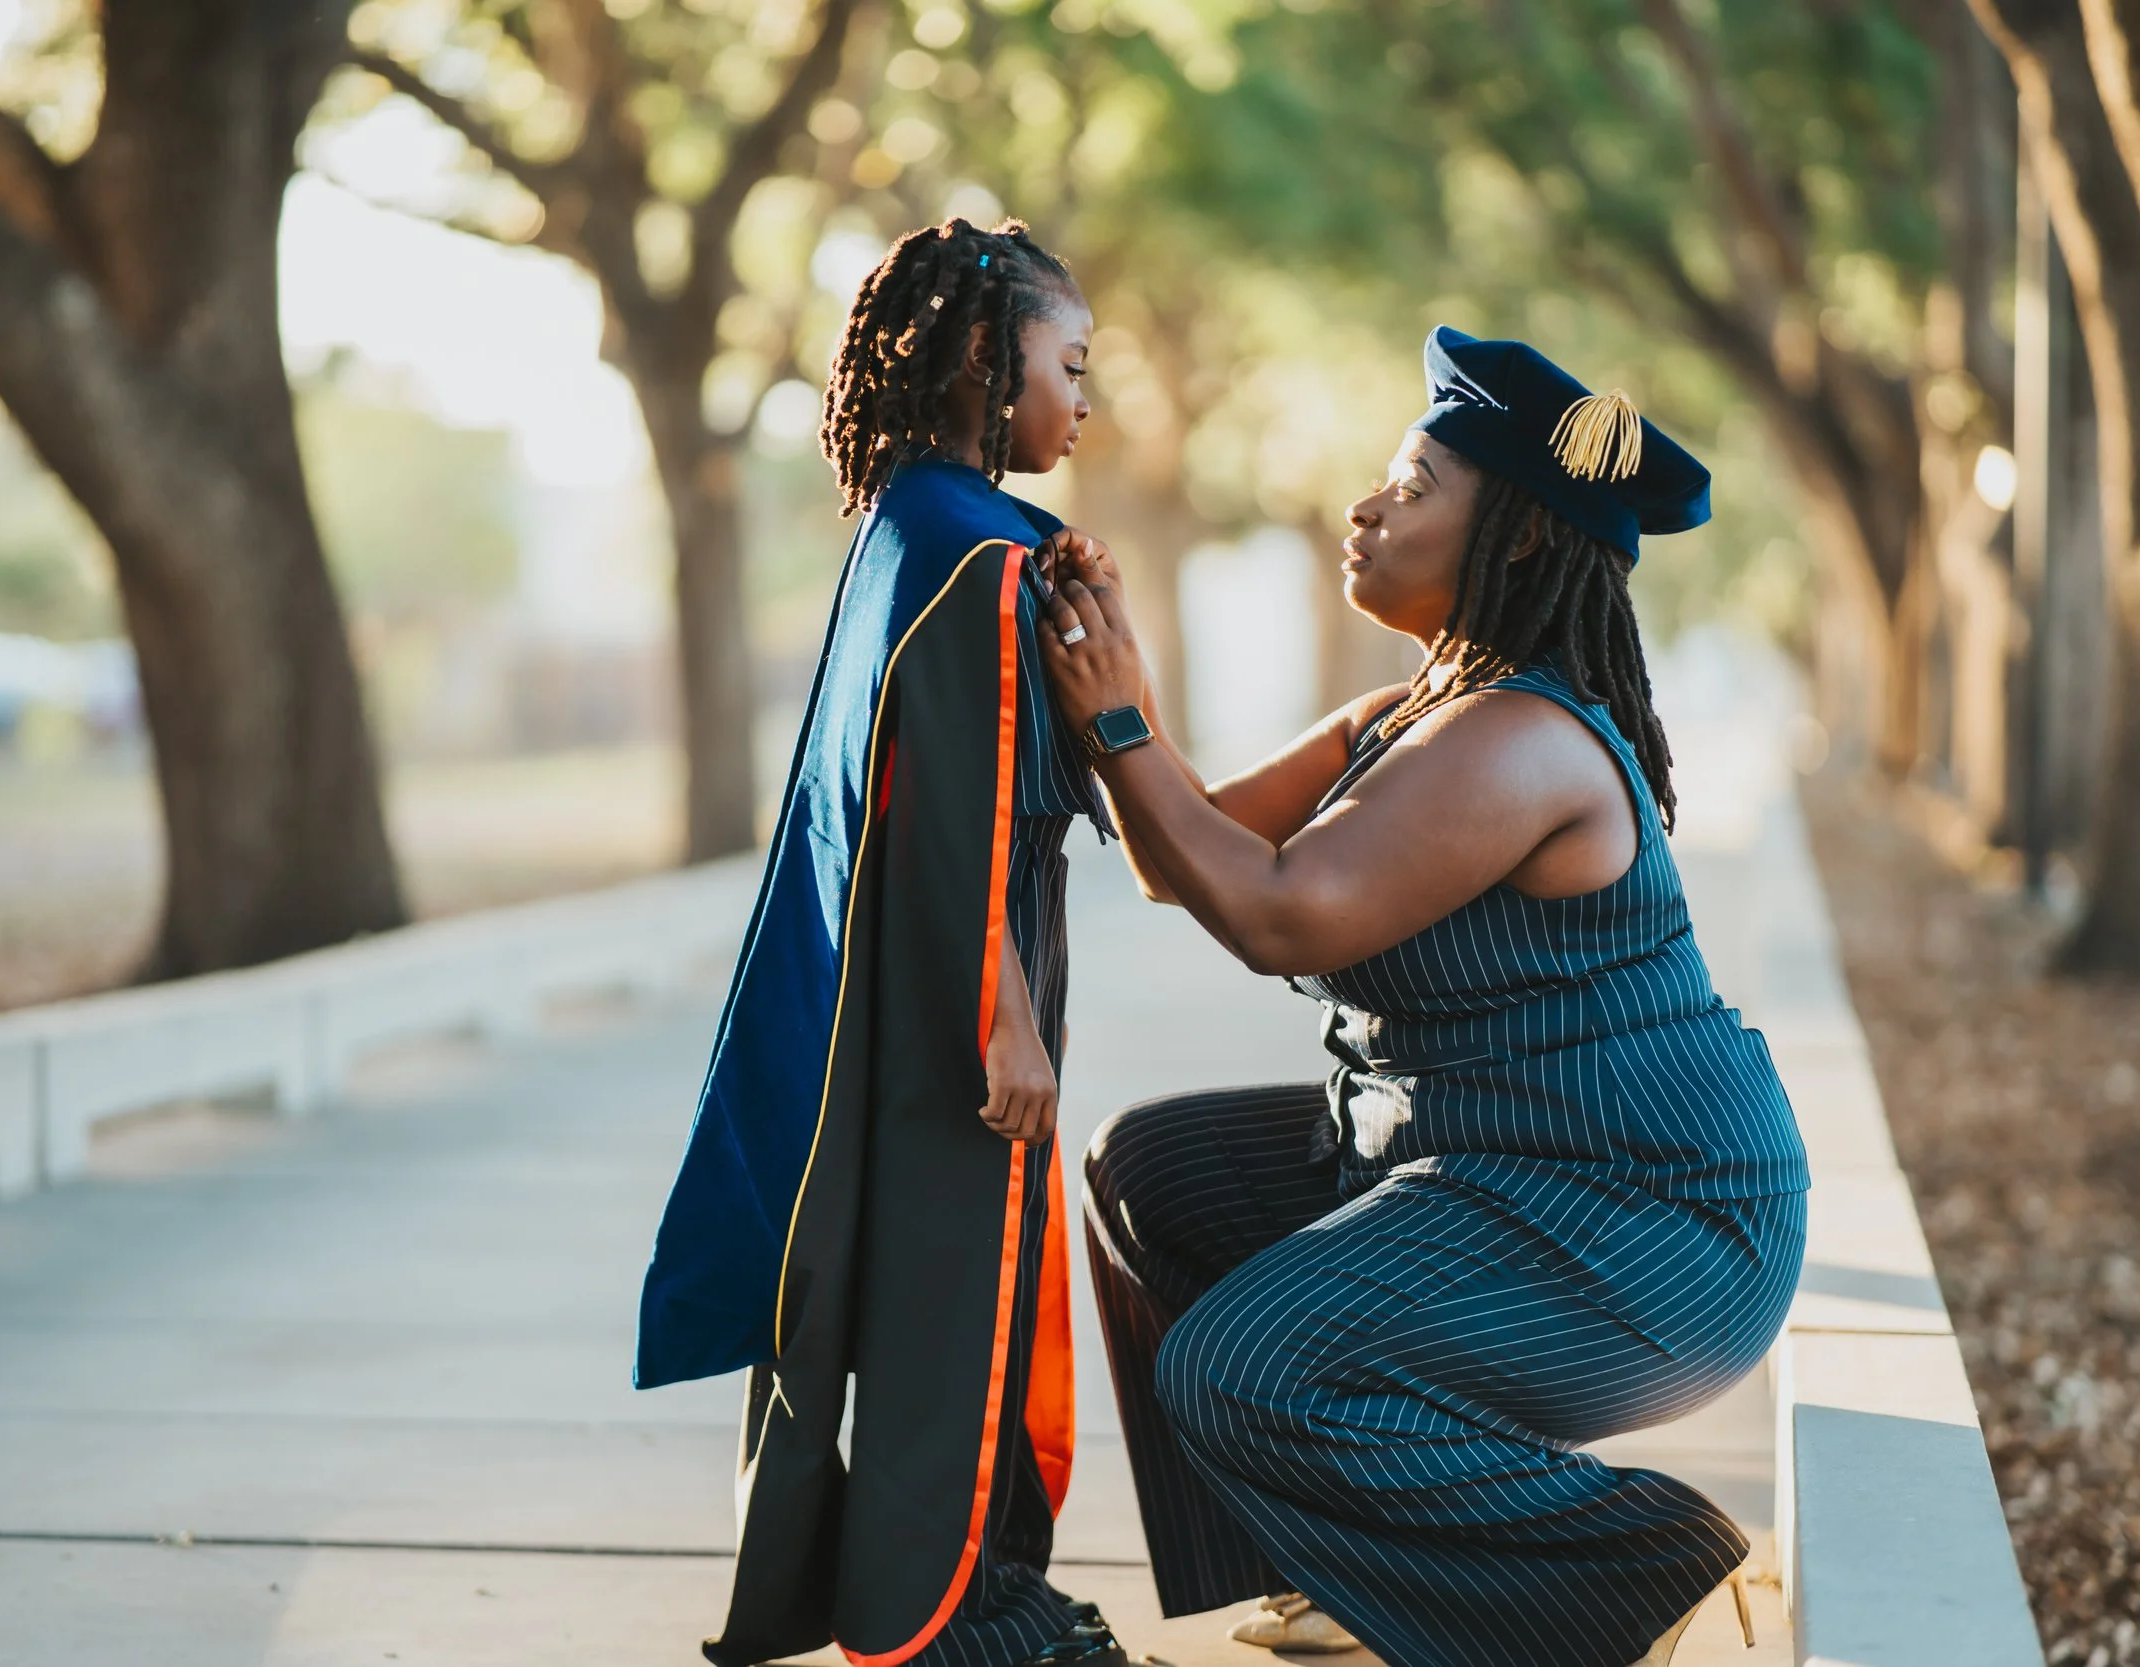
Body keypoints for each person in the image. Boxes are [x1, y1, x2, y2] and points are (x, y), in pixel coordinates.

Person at [1031, 327, 1812, 1667]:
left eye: (1416, 481)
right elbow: (1196, 856)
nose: (1368, 504)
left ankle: (1641, 1571)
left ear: (1513, 537)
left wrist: (1119, 727)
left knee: (1236, 1370)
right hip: (1492, 1161)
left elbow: (1277, 910)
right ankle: (1344, 1570)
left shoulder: (1526, 738)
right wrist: (1128, 704)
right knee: (1150, 1172)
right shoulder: (1417, 711)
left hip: (1652, 1215)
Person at [635, 219, 1131, 1667]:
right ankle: (943, 1617)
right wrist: (1010, 1013)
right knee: (951, 1297)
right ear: (988, 358)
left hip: (876, 989)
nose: (1085, 399)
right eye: (1070, 363)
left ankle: (926, 1589)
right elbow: (960, 824)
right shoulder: (973, 554)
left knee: (888, 1284)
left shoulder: (913, 522)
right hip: (954, 998)